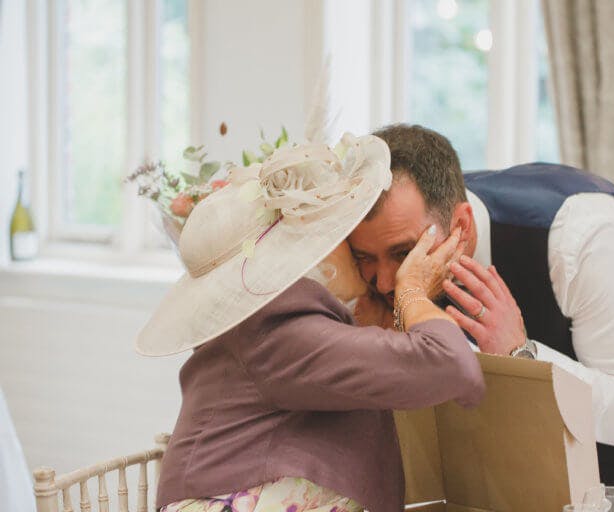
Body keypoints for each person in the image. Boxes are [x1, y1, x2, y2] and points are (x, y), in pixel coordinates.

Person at [347, 123, 614, 508]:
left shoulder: (579, 234)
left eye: (404, 254)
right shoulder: (411, 231)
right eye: (366, 257)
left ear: (462, 224)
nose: (387, 282)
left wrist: (520, 354)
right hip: (590, 426)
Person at [136, 134, 485, 512]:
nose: (381, 280)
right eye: (355, 246)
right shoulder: (278, 331)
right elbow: (451, 364)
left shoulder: (289, 323)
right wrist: (412, 290)